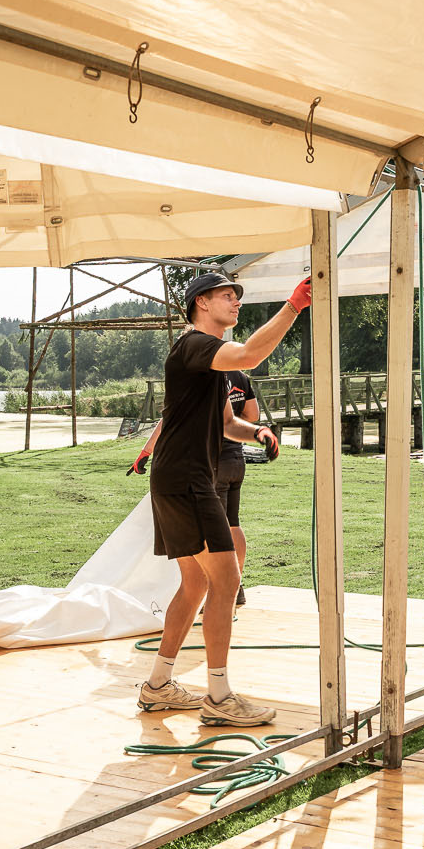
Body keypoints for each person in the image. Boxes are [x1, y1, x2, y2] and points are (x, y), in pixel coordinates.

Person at [135, 271, 308, 726]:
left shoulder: (209, 361)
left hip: (178, 477)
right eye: (226, 296)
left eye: (237, 296)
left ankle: (157, 686)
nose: (235, 302)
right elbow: (252, 352)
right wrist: (294, 306)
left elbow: (227, 422)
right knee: (226, 582)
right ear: (200, 303)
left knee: (195, 584)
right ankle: (219, 696)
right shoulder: (194, 344)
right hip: (189, 480)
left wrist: (258, 432)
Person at [129, 370, 259, 607]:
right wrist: (230, 421)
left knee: (212, 533)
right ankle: (237, 587)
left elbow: (168, 419)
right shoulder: (240, 377)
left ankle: (220, 590)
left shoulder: (197, 376)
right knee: (233, 523)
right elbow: (253, 414)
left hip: (211, 463)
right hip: (235, 461)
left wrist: (146, 452)